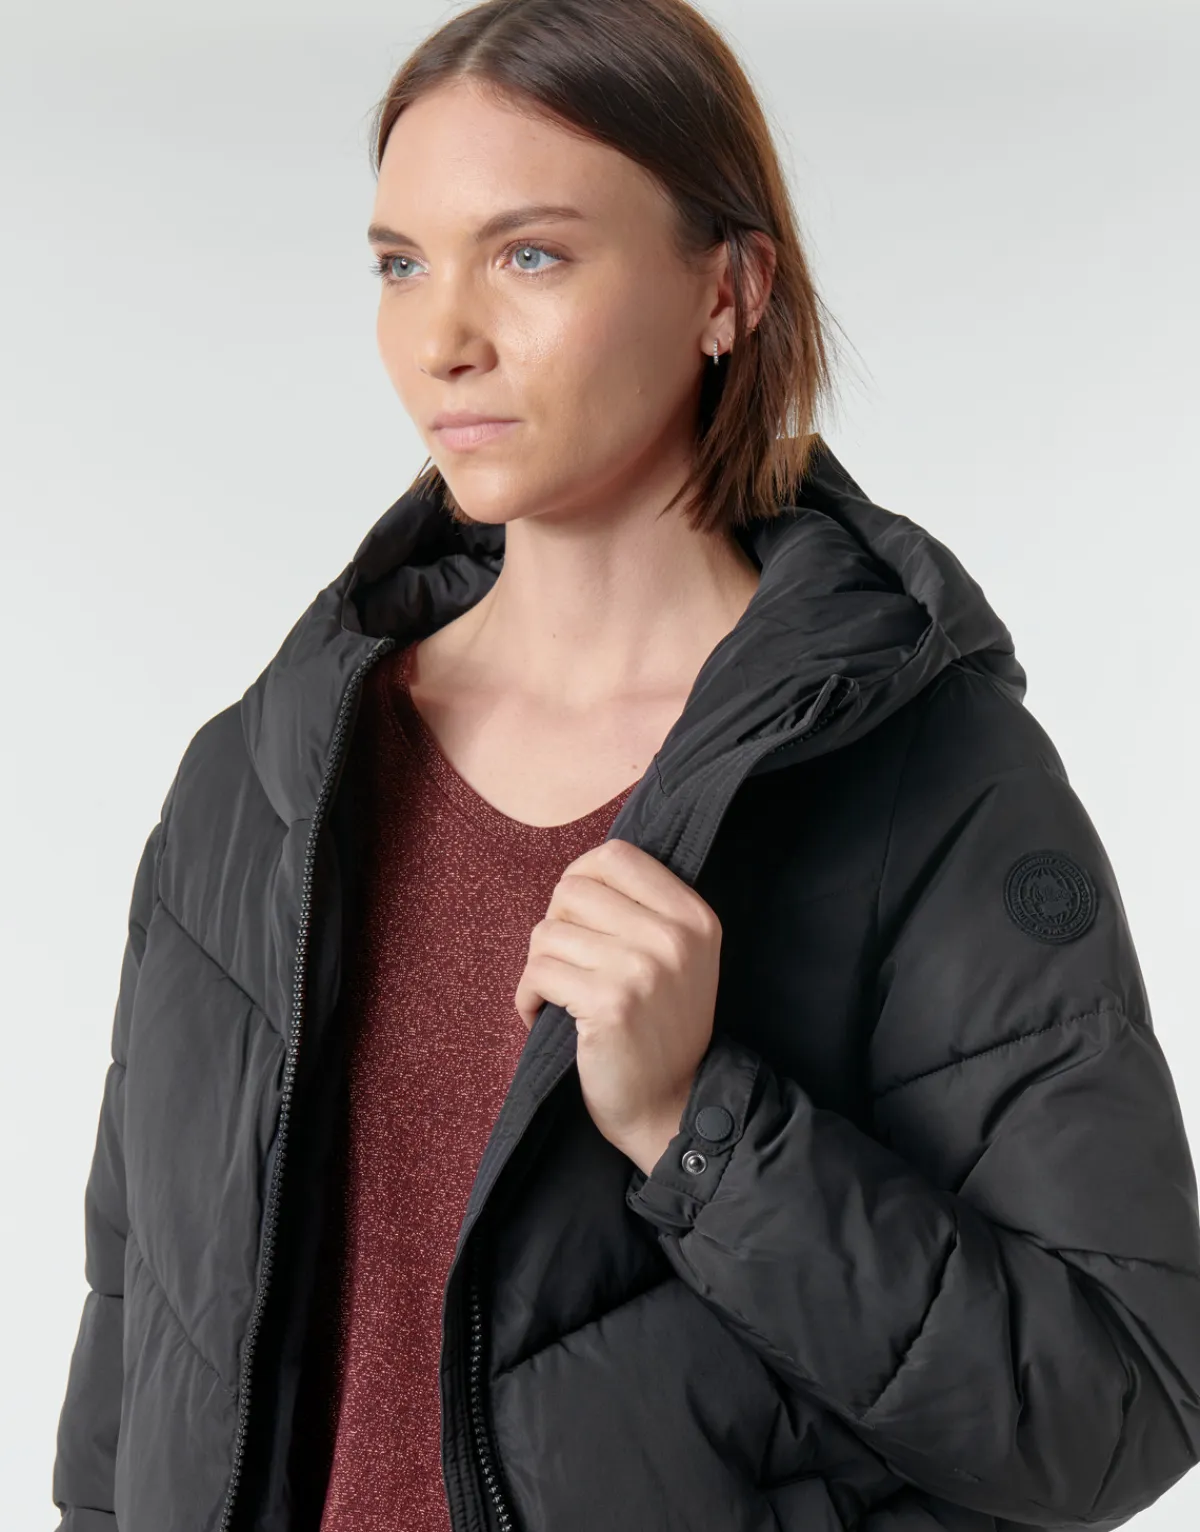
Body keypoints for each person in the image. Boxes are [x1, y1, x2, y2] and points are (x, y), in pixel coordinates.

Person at [50, 1, 1200, 1530]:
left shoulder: (927, 780)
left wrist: (697, 1126)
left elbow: (1118, 1409)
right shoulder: (250, 789)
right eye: (401, 264)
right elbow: (129, 1377)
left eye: (529, 255)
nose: (443, 339)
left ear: (730, 288)